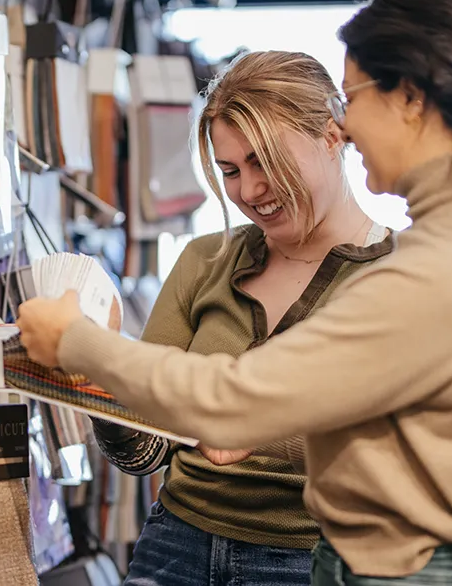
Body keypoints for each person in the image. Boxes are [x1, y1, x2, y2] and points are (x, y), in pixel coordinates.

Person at [17, 0, 452, 585]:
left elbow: (230, 401)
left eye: (352, 99)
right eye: (230, 170)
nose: (346, 125)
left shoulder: (433, 267)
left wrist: (76, 340)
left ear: (410, 98)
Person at [91, 50, 394, 586]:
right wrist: (98, 382)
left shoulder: (401, 280)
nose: (249, 192)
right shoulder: (205, 260)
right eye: (230, 171)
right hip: (174, 546)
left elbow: (398, 459)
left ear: (332, 136)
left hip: (312, 561)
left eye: (266, 162)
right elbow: (146, 451)